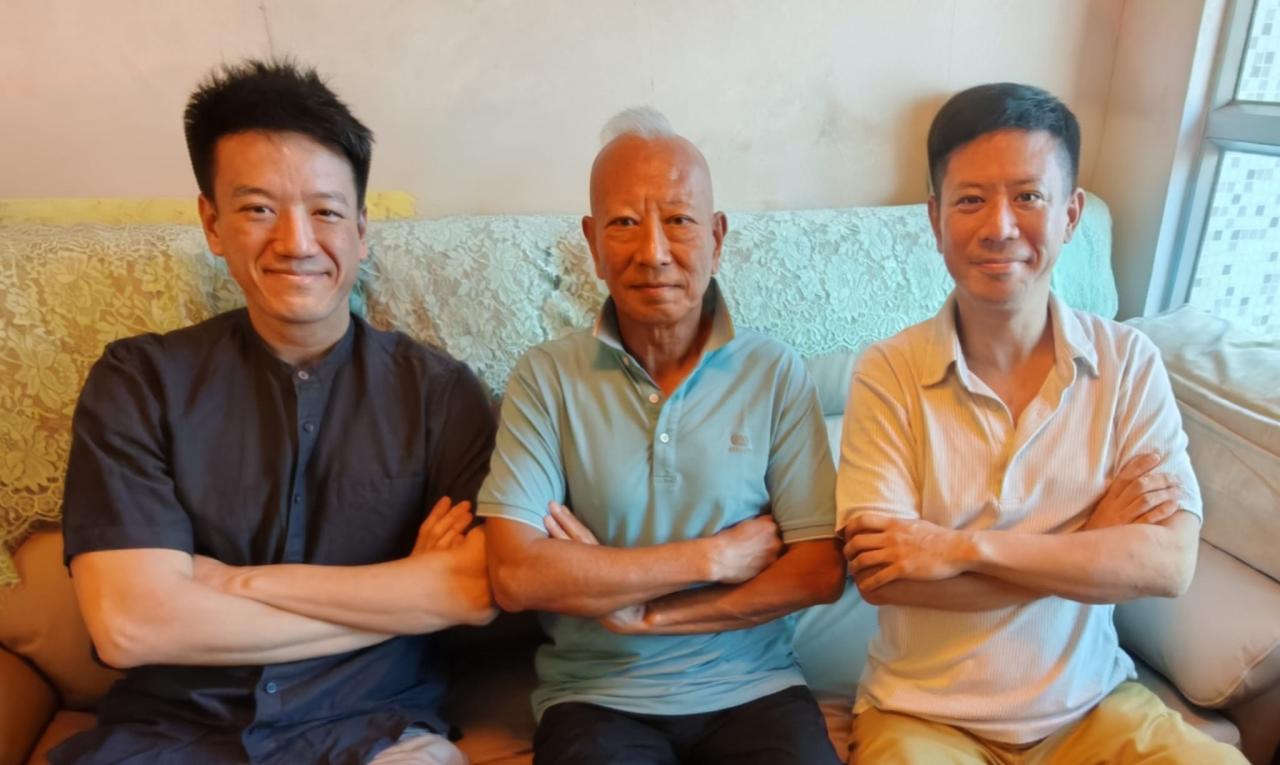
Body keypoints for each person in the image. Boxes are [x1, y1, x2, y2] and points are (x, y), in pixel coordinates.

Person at [56, 59, 496, 765]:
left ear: (361, 229)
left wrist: (230, 581)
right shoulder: (139, 382)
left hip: (374, 729)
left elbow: (472, 589)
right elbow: (131, 626)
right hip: (168, 736)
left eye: (326, 211)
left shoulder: (438, 393)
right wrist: (403, 597)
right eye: (259, 208)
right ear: (212, 223)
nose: (296, 243)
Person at [837, 82, 1245, 764]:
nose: (1000, 227)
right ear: (935, 219)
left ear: (1070, 213)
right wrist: (1093, 541)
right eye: (971, 200)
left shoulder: (1128, 362)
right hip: (923, 716)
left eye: (1028, 196)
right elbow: (888, 578)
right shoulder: (887, 372)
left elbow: (1168, 563)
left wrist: (959, 549)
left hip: (1096, 707)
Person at [478, 107, 845, 764]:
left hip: (756, 689)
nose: (653, 252)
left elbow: (818, 570)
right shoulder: (546, 377)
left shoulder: (773, 371)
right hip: (595, 696)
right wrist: (711, 559)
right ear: (592, 243)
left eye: (678, 220)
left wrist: (648, 615)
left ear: (717, 236)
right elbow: (514, 573)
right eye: (624, 223)